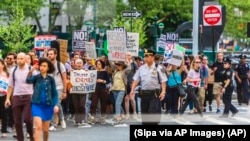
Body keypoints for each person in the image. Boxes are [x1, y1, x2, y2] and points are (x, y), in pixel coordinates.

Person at [130, 49, 167, 125]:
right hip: (144, 94)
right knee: (145, 113)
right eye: (145, 56)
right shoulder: (141, 68)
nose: (145, 58)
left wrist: (163, 92)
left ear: (153, 57)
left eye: (147, 56)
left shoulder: (158, 68)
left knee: (152, 112)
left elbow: (163, 81)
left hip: (154, 94)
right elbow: (136, 80)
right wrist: (132, 90)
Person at [26, 57, 59, 141]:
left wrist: (56, 104)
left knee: (46, 131)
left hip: (48, 106)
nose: (42, 67)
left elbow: (54, 94)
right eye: (41, 65)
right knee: (38, 127)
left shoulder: (51, 79)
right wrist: (31, 70)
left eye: (44, 66)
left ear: (48, 68)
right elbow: (28, 80)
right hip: (36, 104)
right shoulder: (36, 77)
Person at [5, 52, 34, 141]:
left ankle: (32, 136)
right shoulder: (14, 70)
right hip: (16, 97)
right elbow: (10, 85)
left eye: (21, 58)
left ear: (25, 59)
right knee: (17, 122)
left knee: (28, 119)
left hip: (28, 97)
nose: (19, 60)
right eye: (18, 58)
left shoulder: (31, 69)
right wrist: (7, 98)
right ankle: (20, 139)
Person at [88, 59, 110, 124]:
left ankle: (102, 118)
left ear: (102, 65)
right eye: (97, 64)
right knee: (93, 104)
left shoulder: (105, 72)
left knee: (103, 104)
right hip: (95, 89)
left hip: (103, 89)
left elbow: (108, 81)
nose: (98, 65)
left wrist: (102, 81)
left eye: (99, 64)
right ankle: (92, 118)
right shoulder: (94, 72)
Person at [110, 61, 131, 125]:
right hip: (114, 89)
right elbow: (111, 63)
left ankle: (118, 118)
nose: (118, 66)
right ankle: (122, 114)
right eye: (117, 65)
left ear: (122, 66)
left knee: (117, 103)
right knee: (118, 104)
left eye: (119, 65)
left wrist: (127, 62)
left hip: (122, 89)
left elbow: (129, 68)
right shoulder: (115, 71)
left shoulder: (124, 72)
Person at [0, 59, 9, 138]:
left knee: (4, 114)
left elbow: (9, 86)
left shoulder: (6, 74)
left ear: (3, 65)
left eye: (0, 64)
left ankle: (4, 130)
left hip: (4, 96)